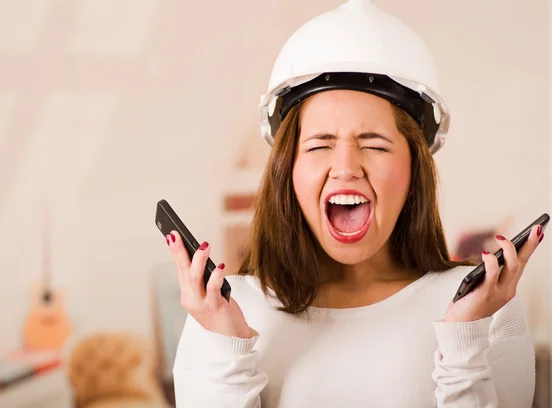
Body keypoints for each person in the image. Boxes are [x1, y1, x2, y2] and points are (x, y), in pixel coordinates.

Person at [165, 1, 545, 406]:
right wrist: (228, 347)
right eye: (319, 145)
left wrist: (465, 342)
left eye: (374, 145)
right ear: (287, 170)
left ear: (415, 170)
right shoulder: (223, 310)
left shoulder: (487, 306)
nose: (345, 168)